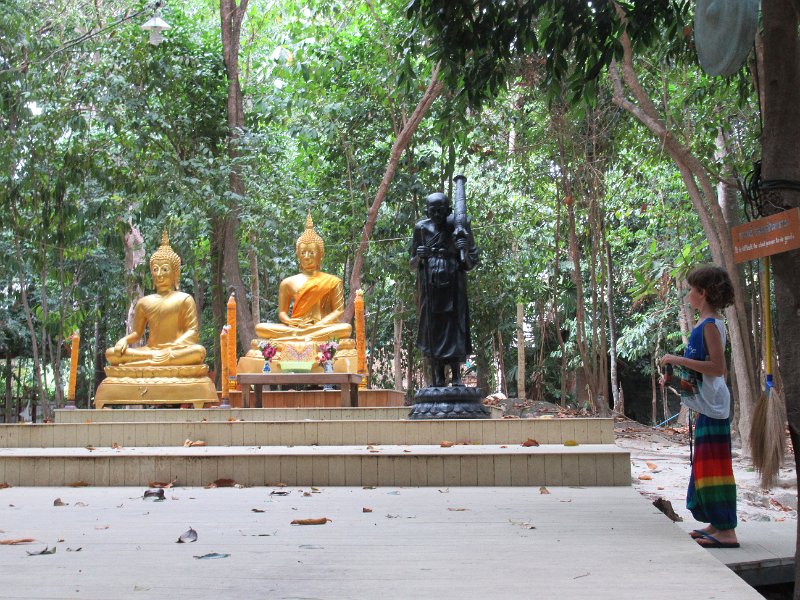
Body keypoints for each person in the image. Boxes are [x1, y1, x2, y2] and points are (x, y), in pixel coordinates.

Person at [661, 265, 739, 549]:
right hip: (707, 405)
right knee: (705, 467)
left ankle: (727, 531)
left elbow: (718, 368)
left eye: (691, 290)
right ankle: (717, 524)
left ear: (703, 293)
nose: (688, 295)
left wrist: (676, 359)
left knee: (715, 468)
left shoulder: (710, 325)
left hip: (714, 407)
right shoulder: (705, 324)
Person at [106, 231, 206, 366]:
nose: (159, 274)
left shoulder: (185, 299)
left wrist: (173, 347)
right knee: (111, 353)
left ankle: (148, 363)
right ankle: (154, 361)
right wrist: (124, 340)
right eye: (155, 269)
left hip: (174, 350)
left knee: (198, 352)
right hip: (150, 351)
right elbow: (137, 333)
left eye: (164, 269)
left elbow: (192, 332)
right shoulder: (144, 302)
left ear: (175, 273)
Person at [410, 191, 479, 387]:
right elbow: (412, 264)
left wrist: (463, 249)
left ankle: (457, 376)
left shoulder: (459, 226)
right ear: (426, 212)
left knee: (455, 327)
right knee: (433, 328)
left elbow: (470, 263)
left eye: (440, 211)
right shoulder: (421, 229)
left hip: (454, 284)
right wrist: (419, 256)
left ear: (448, 211)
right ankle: (438, 376)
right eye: (432, 211)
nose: (437, 215)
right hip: (430, 286)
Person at [256, 212, 352, 342]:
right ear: (298, 255)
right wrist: (290, 322)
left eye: (311, 252)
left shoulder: (333, 281)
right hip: (296, 327)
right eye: (303, 253)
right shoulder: (288, 282)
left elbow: (339, 312)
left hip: (321, 327)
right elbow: (282, 313)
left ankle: (301, 336)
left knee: (345, 328)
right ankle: (305, 336)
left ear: (321, 254)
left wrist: (318, 326)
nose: (307, 257)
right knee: (260, 328)